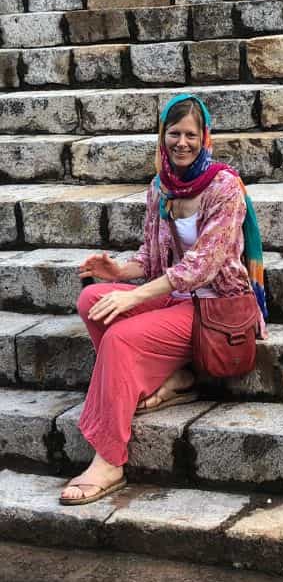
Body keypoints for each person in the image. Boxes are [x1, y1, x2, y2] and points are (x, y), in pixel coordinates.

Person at [59, 92, 268, 505]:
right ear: (163, 135)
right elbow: (153, 258)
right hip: (176, 298)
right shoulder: (161, 186)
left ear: (205, 137)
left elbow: (202, 267)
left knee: (121, 338)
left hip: (215, 306)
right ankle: (169, 378)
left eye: (191, 135)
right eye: (174, 134)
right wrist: (118, 273)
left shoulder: (225, 187)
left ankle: (108, 460)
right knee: (93, 300)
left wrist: (135, 298)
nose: (182, 143)